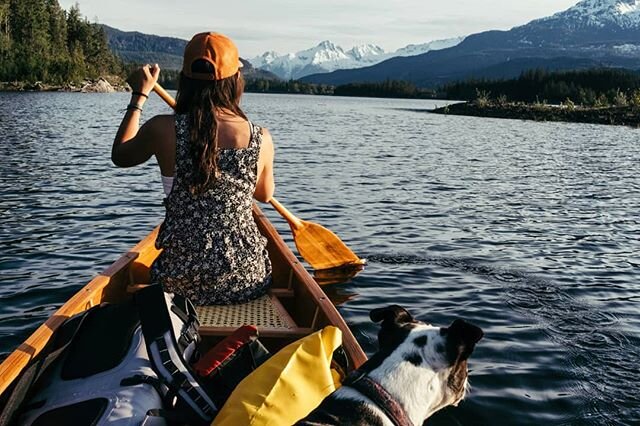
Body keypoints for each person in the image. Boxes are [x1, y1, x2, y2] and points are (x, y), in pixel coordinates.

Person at [111, 32, 275, 305]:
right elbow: (265, 195)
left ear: (184, 80)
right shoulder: (261, 138)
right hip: (246, 279)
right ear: (235, 81)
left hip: (180, 280)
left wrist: (139, 95)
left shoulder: (162, 128)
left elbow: (121, 155)